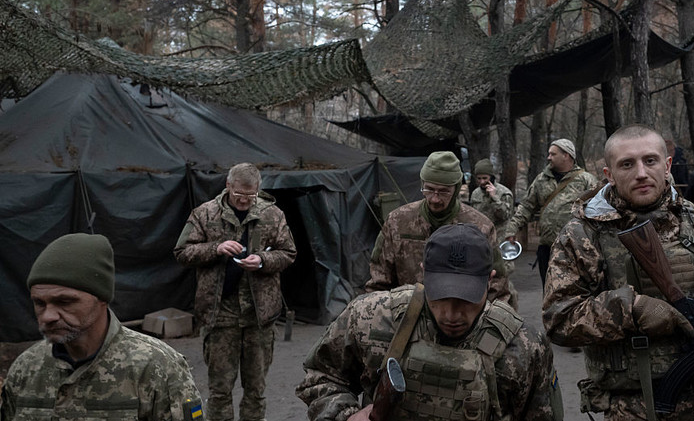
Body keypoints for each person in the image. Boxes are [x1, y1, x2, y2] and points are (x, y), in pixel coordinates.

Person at [544, 125, 694, 420]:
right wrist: (630, 309)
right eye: (627, 164)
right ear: (608, 174)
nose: (640, 173)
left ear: (667, 166)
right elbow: (558, 318)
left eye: (650, 161)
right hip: (635, 409)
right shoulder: (582, 235)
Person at [297, 223, 563, 421]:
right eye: (440, 296)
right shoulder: (371, 317)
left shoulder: (525, 345)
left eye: (466, 299)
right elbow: (320, 376)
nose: (451, 314)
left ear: (490, 279)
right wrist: (345, 414)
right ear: (423, 274)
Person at [1, 233, 203, 420]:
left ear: (102, 299)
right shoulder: (26, 369)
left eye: (65, 302)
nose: (48, 316)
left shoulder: (157, 367)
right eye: (39, 303)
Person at [174, 162, 297, 421]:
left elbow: (288, 253)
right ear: (228, 186)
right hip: (220, 314)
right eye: (239, 194)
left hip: (259, 315)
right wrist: (215, 248)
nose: (244, 201)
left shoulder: (272, 215)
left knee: (256, 390)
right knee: (220, 390)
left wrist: (263, 260)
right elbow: (182, 252)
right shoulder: (205, 214)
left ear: (258, 190)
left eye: (251, 195)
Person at [365, 151, 514, 308]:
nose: (435, 199)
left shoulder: (480, 227)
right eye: (429, 189)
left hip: (461, 321)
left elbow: (498, 289)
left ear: (455, 190)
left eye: (443, 191)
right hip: (407, 319)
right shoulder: (398, 221)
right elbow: (378, 284)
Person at [503, 138, 598, 286]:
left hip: (575, 249)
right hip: (547, 248)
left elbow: (598, 212)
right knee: (548, 291)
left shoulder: (586, 180)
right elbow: (526, 206)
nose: (548, 158)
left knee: (575, 292)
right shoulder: (541, 179)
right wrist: (512, 228)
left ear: (566, 155)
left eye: (552, 154)